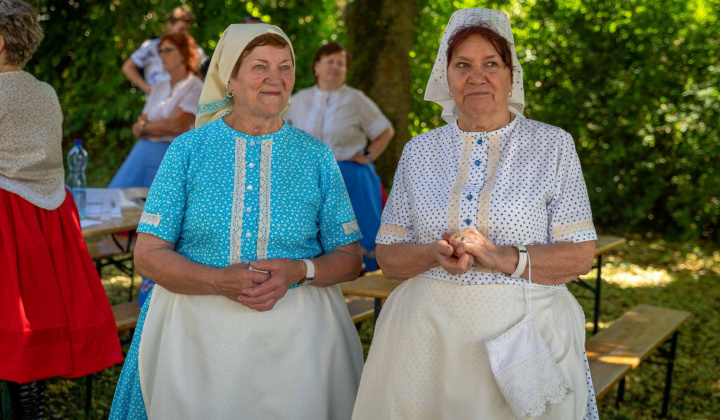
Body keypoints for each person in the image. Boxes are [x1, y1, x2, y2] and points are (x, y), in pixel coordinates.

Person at [353, 8, 600, 420]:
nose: (477, 76)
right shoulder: (419, 151)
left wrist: (502, 256)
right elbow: (388, 256)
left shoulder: (552, 145)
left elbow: (580, 254)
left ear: (511, 74)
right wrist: (432, 253)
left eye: (491, 64)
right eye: (462, 65)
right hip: (423, 341)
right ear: (445, 76)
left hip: (526, 336)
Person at [109, 23, 365, 419]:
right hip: (192, 341)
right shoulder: (187, 150)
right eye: (259, 67)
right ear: (229, 78)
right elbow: (147, 255)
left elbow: (350, 258)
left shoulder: (316, 156)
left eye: (285, 67)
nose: (275, 79)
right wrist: (216, 280)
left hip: (301, 348)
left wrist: (301, 269)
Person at [0, 1, 123, 418]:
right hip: (45, 213)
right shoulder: (45, 92)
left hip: (6, 214)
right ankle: (29, 404)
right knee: (23, 315)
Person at [110, 32, 203, 306]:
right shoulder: (160, 87)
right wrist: (147, 127)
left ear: (185, 55)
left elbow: (179, 125)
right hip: (143, 156)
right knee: (121, 206)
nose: (162, 56)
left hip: (169, 161)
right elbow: (140, 122)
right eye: (160, 51)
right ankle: (143, 282)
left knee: (159, 224)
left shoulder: (194, 86)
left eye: (168, 50)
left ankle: (152, 292)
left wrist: (147, 127)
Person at [285, 42, 394, 272]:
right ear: (316, 67)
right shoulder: (298, 100)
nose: (335, 67)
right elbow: (280, 132)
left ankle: (367, 277)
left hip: (351, 176)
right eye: (330, 62)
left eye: (340, 63)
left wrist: (368, 155)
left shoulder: (356, 100)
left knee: (357, 231)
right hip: (307, 177)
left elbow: (385, 131)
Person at [121, 5, 205, 95]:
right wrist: (147, 88)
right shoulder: (152, 47)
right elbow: (127, 67)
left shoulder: (194, 50)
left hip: (184, 103)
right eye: (181, 29)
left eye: (187, 30)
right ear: (169, 26)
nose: (185, 34)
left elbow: (202, 77)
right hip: (157, 104)